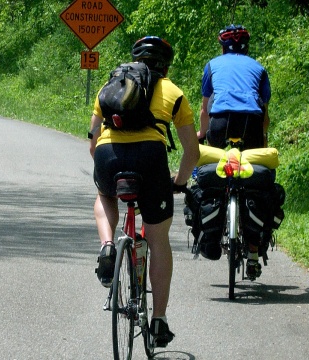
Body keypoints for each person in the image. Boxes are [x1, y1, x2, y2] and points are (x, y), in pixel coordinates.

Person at [89, 36, 199, 347]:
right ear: (166, 65)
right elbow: (192, 151)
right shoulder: (173, 92)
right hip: (151, 158)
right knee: (157, 236)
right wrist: (179, 181)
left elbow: (92, 141)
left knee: (104, 196)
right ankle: (159, 319)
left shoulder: (111, 85)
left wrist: (105, 172)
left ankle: (108, 245)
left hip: (108, 156)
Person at [197, 24, 272, 279]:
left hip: (220, 119)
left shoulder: (212, 65)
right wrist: (261, 142)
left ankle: (209, 233)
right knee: (256, 181)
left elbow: (205, 108)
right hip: (251, 120)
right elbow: (264, 113)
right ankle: (253, 251)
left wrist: (202, 135)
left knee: (209, 170)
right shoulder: (258, 68)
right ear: (247, 47)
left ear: (222, 46)